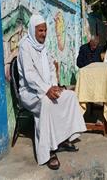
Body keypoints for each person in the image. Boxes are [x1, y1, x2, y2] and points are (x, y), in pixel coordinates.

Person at [17, 14, 86, 170]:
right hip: (29, 92)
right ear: (32, 30)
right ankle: (48, 151)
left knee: (69, 96)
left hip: (46, 88)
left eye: (45, 30)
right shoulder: (24, 47)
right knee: (46, 103)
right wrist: (46, 89)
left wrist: (54, 86)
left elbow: (50, 68)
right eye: (40, 30)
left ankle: (63, 138)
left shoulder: (43, 46)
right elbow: (29, 75)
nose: (43, 33)